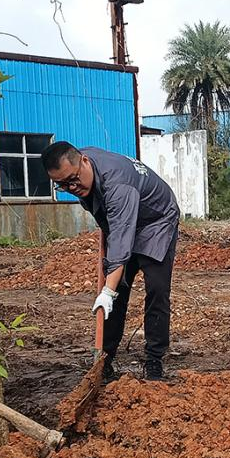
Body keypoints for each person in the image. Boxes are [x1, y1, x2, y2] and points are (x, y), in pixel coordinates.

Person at [42, 142, 181, 381]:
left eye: (73, 179)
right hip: (123, 220)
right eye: (62, 185)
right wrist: (110, 290)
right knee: (116, 292)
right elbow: (116, 228)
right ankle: (105, 359)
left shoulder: (118, 185)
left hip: (156, 221)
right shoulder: (80, 167)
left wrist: (107, 291)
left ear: (85, 161)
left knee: (156, 289)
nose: (71, 188)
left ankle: (154, 360)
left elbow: (121, 238)